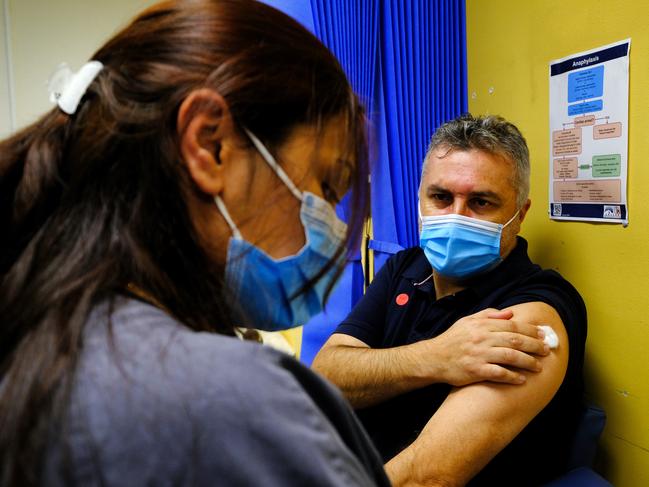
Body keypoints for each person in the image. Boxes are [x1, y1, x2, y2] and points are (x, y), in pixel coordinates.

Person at [0, 1, 390, 485]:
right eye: (328, 186)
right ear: (211, 145)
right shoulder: (230, 404)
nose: (331, 229)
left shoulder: (31, 324)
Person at [313, 114, 587, 486]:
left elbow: (426, 477)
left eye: (481, 202)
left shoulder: (535, 311)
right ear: (421, 199)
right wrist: (437, 356)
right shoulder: (404, 268)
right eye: (441, 197)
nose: (456, 217)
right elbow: (325, 379)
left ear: (520, 215)